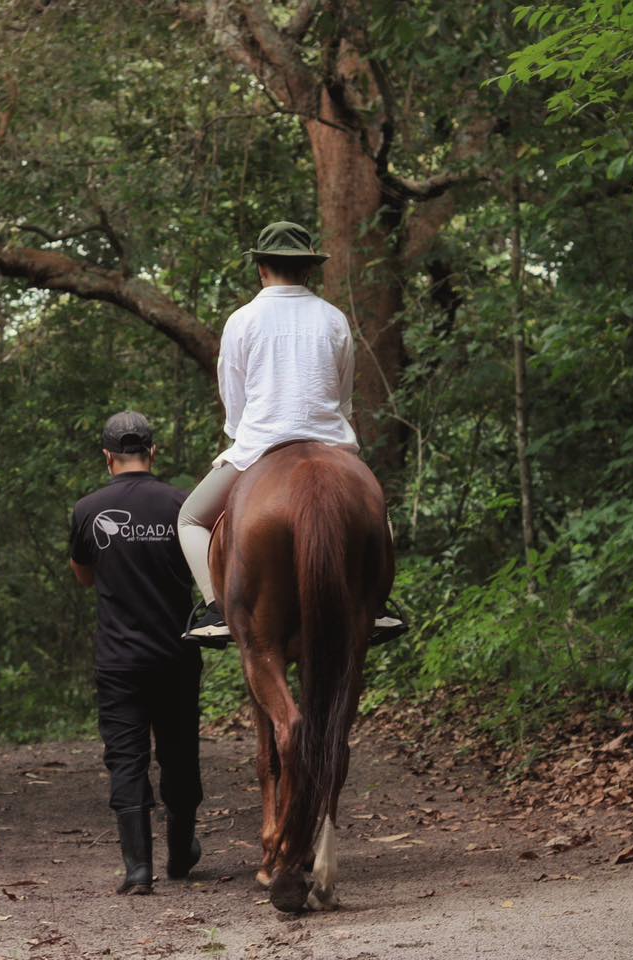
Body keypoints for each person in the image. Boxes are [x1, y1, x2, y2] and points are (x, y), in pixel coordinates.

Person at [180, 220, 404, 641]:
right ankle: (376, 605)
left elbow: (234, 403)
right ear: (308, 270)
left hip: (259, 447)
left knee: (189, 518)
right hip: (330, 444)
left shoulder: (241, 320)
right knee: (378, 515)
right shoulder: (334, 319)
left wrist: (241, 436)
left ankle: (216, 612)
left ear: (261, 268)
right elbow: (342, 397)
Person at [69, 411, 204, 895]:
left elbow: (84, 576)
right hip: (176, 653)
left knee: (126, 757)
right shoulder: (184, 505)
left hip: (120, 660)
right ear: (153, 452)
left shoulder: (88, 509)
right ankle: (181, 855)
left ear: (108, 458)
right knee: (179, 753)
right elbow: (201, 569)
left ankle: (138, 870)